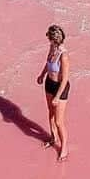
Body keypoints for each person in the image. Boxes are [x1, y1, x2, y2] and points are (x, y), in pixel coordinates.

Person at [36, 24, 70, 160]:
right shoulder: (52, 48)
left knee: (59, 121)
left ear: (53, 39)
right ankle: (53, 138)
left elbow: (65, 79)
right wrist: (42, 75)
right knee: (50, 114)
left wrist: (57, 96)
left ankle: (64, 147)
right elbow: (48, 63)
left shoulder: (64, 56)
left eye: (49, 38)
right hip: (49, 84)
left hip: (60, 88)